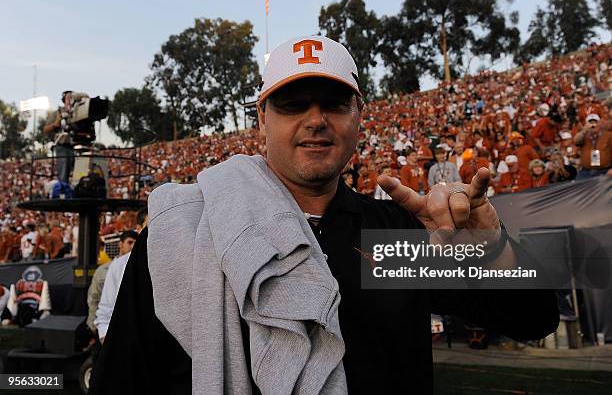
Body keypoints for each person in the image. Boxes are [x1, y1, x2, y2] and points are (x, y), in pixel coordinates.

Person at [90, 36, 558, 395]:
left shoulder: (391, 233)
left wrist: (490, 243)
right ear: (262, 119)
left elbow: (532, 319)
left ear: (359, 116)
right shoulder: (186, 233)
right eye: (293, 104)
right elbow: (123, 379)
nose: (315, 119)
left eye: (333, 103)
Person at [95, 209, 147, 343]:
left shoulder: (178, 262)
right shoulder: (119, 266)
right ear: (139, 229)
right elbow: (106, 307)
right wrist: (104, 335)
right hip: (128, 342)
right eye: (150, 227)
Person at [86, 230, 138, 336]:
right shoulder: (102, 270)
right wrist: (96, 328)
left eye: (135, 244)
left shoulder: (137, 270)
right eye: (129, 242)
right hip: (104, 326)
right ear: (120, 244)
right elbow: (93, 298)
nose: (132, 246)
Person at [574, 113, 611, 179]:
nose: (593, 125)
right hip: (586, 172)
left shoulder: (608, 135)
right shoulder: (583, 135)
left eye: (595, 122)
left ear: (600, 123)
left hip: (604, 171)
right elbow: (576, 141)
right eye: (590, 123)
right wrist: (584, 130)